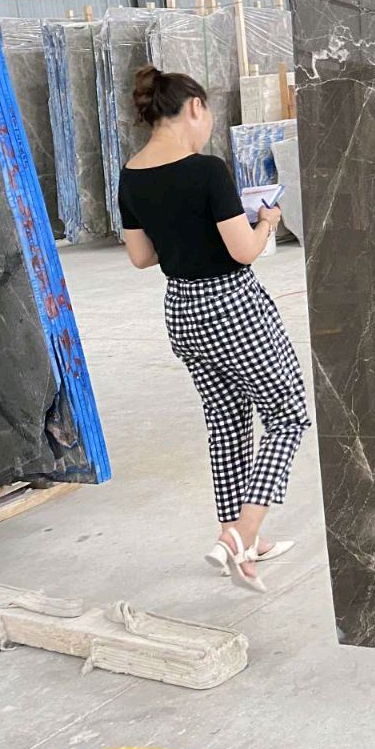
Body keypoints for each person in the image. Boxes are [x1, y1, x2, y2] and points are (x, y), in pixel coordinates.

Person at [117, 65, 309, 592]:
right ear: (195, 107)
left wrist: (182, 235)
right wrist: (266, 220)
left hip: (182, 312)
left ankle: (239, 544)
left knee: (226, 424)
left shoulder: (130, 174)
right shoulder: (207, 171)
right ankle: (242, 535)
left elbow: (140, 257)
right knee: (288, 414)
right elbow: (243, 252)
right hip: (231, 308)